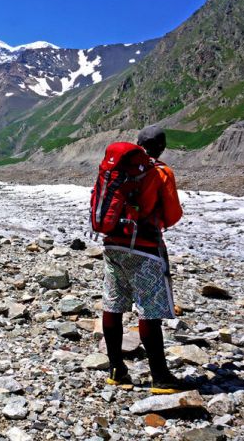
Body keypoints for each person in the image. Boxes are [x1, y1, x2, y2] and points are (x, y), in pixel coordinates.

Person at [102, 125, 190, 394]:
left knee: (113, 304)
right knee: (149, 311)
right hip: (145, 249)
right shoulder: (161, 172)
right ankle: (160, 376)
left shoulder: (118, 170)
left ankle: (116, 370)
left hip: (113, 245)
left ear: (138, 143)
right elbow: (173, 215)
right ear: (162, 147)